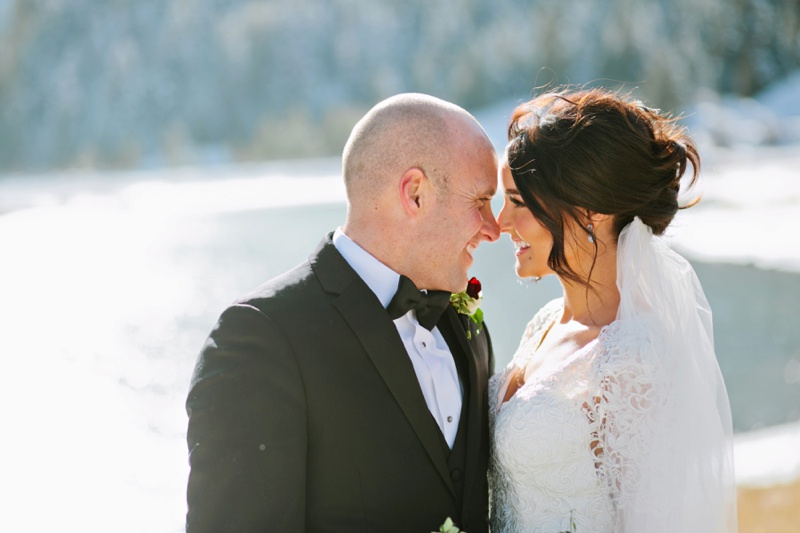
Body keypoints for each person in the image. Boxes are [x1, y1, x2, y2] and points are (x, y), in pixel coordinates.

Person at [185, 93, 501, 532]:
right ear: (415, 194)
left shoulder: (466, 327)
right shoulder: (261, 339)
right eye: (480, 201)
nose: (494, 229)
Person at [490, 88, 737, 532]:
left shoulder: (634, 359)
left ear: (591, 211)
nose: (500, 222)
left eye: (519, 202)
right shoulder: (545, 322)